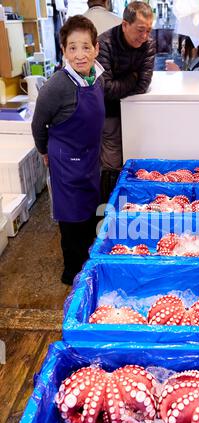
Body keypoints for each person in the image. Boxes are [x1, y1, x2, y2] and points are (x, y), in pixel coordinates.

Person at [31, 15, 105, 286]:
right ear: (63, 51)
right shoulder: (57, 86)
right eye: (72, 47)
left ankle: (89, 263)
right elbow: (38, 124)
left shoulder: (98, 78)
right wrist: (43, 151)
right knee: (72, 220)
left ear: (96, 48)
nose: (80, 54)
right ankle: (73, 276)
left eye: (86, 46)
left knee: (89, 214)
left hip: (89, 159)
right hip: (65, 162)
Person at [97, 1, 155, 203]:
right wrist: (132, 77)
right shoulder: (103, 44)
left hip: (136, 113)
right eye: (140, 30)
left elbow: (144, 84)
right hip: (109, 112)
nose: (145, 36)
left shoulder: (148, 44)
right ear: (124, 24)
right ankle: (109, 211)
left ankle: (135, 204)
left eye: (148, 30)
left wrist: (124, 83)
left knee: (137, 158)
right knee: (112, 163)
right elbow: (105, 88)